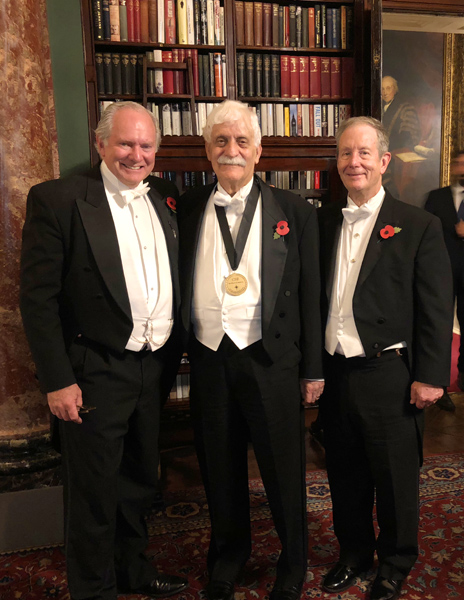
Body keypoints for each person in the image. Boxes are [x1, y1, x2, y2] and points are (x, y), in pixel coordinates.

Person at [20, 102, 187, 600]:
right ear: (100, 145)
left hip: (153, 367)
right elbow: (38, 298)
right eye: (125, 143)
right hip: (92, 370)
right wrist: (56, 379)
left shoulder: (167, 198)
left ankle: (133, 569)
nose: (136, 155)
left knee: (139, 479)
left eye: (146, 146)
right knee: (92, 491)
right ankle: (93, 590)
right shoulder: (58, 200)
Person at [177, 100, 324, 600]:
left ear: (259, 150)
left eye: (242, 141)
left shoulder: (296, 211)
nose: (231, 150)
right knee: (218, 466)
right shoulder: (188, 205)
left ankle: (293, 561)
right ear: (206, 149)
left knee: (283, 470)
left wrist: (312, 369)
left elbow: (310, 296)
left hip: (271, 358)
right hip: (210, 358)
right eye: (221, 141)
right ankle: (229, 557)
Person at [318, 117, 453, 600]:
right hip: (337, 372)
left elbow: (436, 309)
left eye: (364, 153)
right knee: (345, 472)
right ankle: (353, 554)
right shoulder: (323, 220)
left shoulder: (420, 224)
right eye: (345, 154)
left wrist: (431, 377)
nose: (354, 162)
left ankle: (395, 562)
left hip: (390, 374)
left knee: (395, 478)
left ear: (384, 161)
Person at [425, 149, 464, 411]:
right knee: (440, 328)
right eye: (457, 163)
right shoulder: (436, 198)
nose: (460, 168)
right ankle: (441, 385)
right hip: (442, 273)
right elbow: (425, 233)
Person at [381, 76, 422, 197]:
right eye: (382, 89)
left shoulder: (405, 108)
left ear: (395, 89)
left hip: (397, 151)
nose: (385, 92)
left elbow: (408, 137)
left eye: (388, 88)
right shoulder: (378, 108)